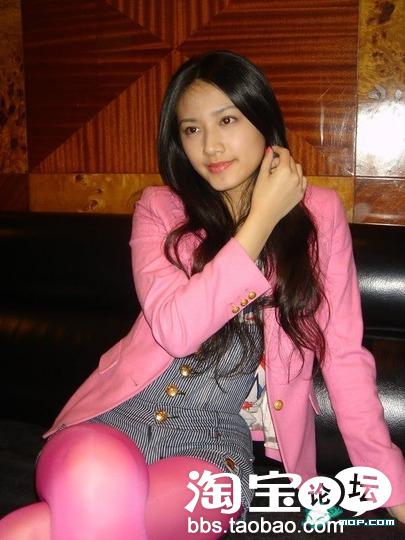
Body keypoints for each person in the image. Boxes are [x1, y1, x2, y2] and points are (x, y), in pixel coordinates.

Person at [1, 50, 405, 539]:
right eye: (191, 129)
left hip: (211, 446)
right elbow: (178, 331)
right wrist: (260, 219)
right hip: (113, 418)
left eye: (227, 120)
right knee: (95, 479)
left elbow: (343, 356)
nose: (210, 146)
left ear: (263, 120)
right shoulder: (160, 209)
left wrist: (390, 485)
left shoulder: (319, 215)